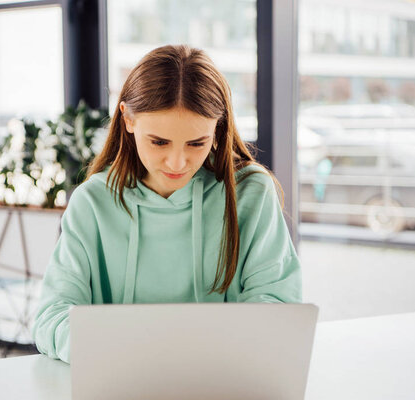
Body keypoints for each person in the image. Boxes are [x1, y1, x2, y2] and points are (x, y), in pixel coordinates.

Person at [32, 44, 302, 363]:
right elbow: (52, 315)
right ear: (128, 120)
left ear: (217, 128)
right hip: (122, 383)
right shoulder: (92, 202)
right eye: (159, 142)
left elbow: (277, 303)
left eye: (196, 143)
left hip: (222, 382)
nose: (177, 162)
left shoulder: (251, 194)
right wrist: (112, 351)